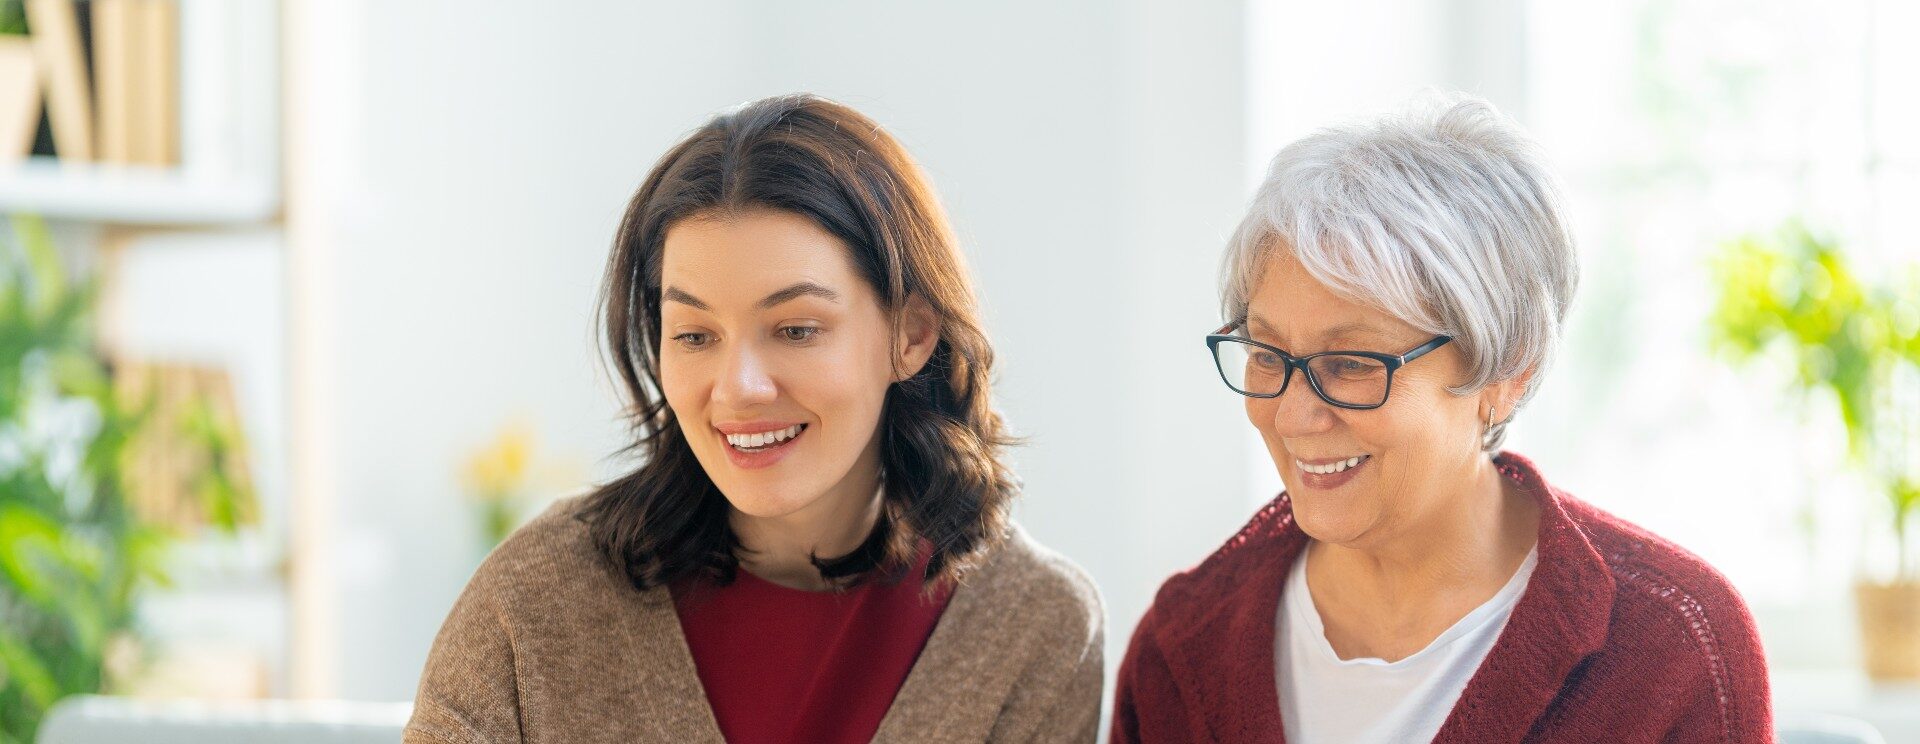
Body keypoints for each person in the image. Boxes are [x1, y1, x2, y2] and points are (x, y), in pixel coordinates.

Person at [407, 94, 1103, 744]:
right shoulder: (533, 605)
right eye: (694, 335)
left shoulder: (1032, 627)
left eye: (796, 329)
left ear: (912, 336)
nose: (737, 388)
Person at [1112, 95, 1773, 743]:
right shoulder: (1182, 649)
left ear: (1506, 371)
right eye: (1266, 352)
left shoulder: (1670, 650)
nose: (1293, 414)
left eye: (1349, 363)